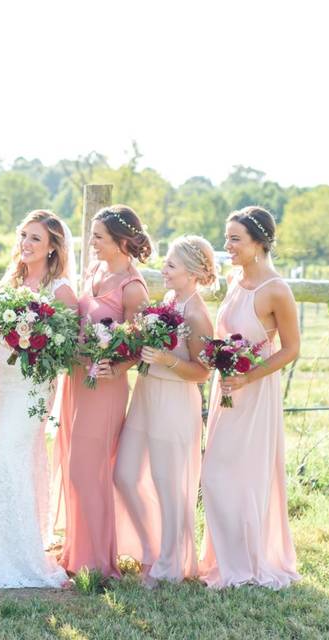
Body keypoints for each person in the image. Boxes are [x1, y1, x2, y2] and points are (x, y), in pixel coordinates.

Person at [0, 210, 76, 588]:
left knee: (11, 458)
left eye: (35, 239)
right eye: (23, 236)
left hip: (30, 386)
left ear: (52, 248)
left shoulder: (60, 291)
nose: (25, 244)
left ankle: (17, 555)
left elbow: (68, 348)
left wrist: (31, 344)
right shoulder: (9, 282)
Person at [198, 206, 301, 589]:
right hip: (225, 387)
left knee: (244, 476)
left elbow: (291, 349)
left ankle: (245, 564)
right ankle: (224, 558)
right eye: (227, 238)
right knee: (214, 473)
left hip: (255, 392)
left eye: (235, 239)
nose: (228, 246)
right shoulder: (233, 279)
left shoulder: (276, 290)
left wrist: (248, 376)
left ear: (259, 242)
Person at [54, 204, 150, 579]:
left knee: (87, 470)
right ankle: (76, 551)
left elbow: (143, 345)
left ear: (120, 241)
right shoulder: (94, 270)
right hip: (77, 379)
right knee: (72, 461)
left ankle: (95, 562)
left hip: (104, 387)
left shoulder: (133, 288)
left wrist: (118, 366)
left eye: (98, 237)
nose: (91, 242)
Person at [115, 235, 216, 587]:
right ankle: (150, 548)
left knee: (169, 485)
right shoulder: (170, 300)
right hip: (144, 396)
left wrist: (166, 359)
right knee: (124, 475)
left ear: (192, 272)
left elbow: (203, 371)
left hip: (174, 401)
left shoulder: (197, 314)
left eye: (171, 265)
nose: (164, 270)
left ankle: (169, 566)